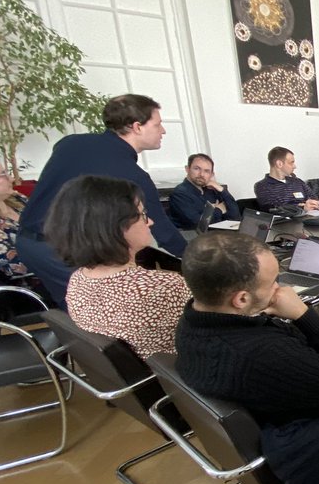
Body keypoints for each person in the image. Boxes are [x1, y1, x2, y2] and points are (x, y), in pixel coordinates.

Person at [177, 232, 319, 484]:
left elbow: (310, 361)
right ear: (241, 299)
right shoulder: (261, 355)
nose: (283, 289)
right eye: (274, 282)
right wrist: (302, 313)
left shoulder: (194, 320)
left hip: (296, 393)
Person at [17, 93, 187, 307]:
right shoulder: (131, 174)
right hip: (56, 248)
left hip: (28, 241)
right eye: (158, 124)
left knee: (78, 308)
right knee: (98, 313)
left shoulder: (70, 143)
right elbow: (162, 231)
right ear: (137, 127)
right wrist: (195, 262)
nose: (163, 130)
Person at [45, 176, 190, 360]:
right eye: (142, 215)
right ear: (116, 227)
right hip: (178, 381)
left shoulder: (78, 280)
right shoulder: (163, 287)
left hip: (130, 379)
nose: (150, 222)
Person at [167, 153, 240, 229]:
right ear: (187, 169)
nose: (201, 174)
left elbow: (235, 216)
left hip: (217, 234)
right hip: (194, 237)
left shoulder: (212, 190)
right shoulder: (179, 194)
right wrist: (219, 210)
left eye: (206, 171)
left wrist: (222, 190)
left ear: (211, 175)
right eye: (197, 169)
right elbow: (198, 224)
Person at [254, 147, 319, 212]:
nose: (295, 166)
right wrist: (302, 207)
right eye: (291, 162)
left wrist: (314, 204)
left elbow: (317, 201)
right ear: (279, 164)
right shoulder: (262, 186)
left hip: (309, 220)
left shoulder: (297, 182)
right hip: (285, 223)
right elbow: (274, 209)